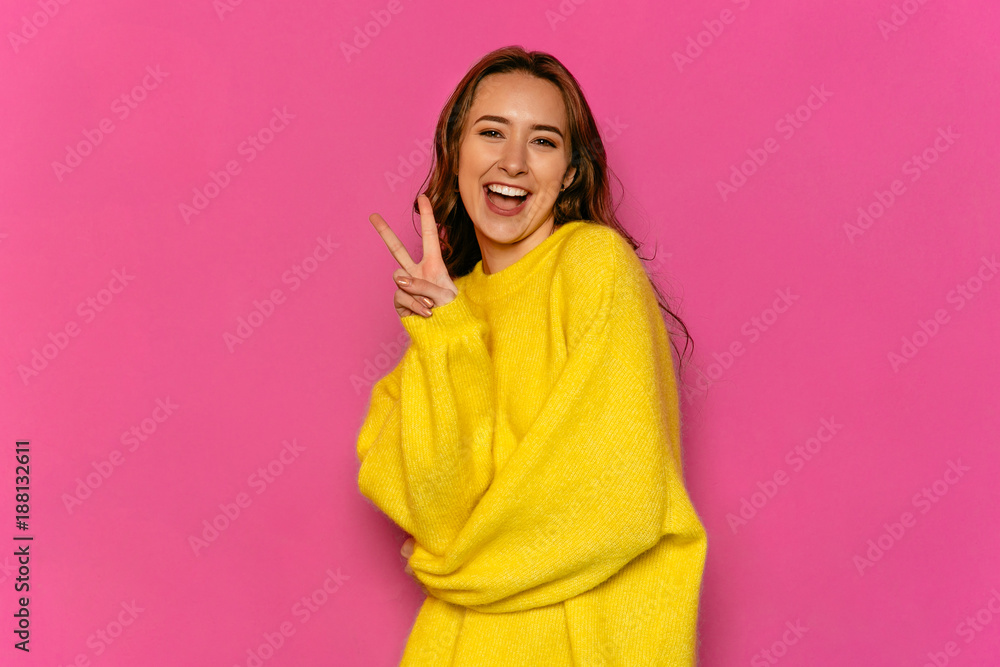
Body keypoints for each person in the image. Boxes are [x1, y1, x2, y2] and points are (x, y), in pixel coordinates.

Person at [356, 45, 708, 666]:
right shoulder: (453, 311)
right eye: (492, 132)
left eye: (543, 141)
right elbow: (437, 515)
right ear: (456, 151)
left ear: (569, 173)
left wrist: (453, 567)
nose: (513, 161)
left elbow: (614, 498)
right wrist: (445, 336)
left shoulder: (594, 265)